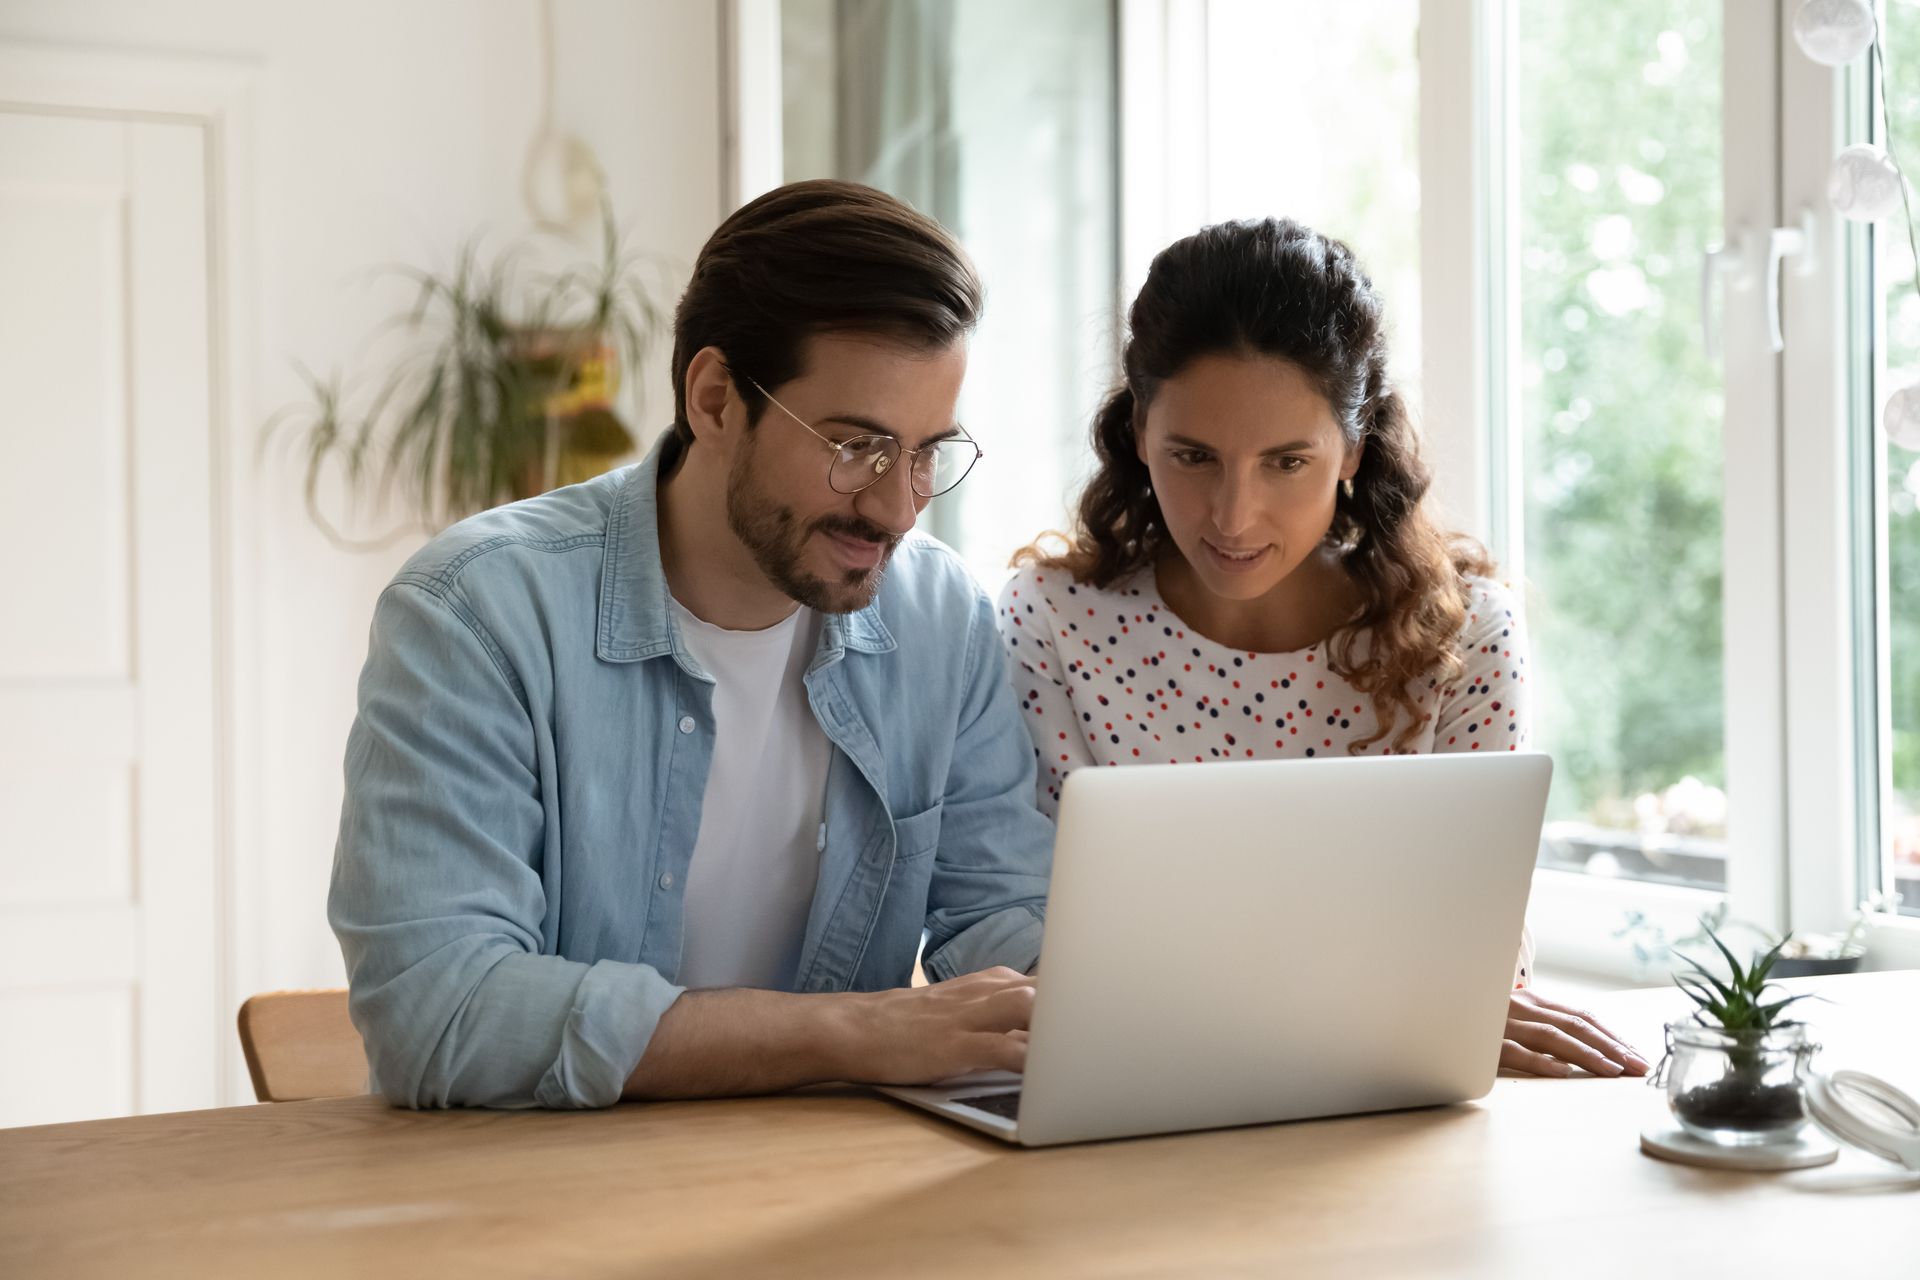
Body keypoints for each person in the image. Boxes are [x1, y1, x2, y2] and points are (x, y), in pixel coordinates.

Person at [330, 180, 1047, 1109]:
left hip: (832, 1190)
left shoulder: (941, 618)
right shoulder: (475, 613)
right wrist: (854, 1033)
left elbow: (999, 918)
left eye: (925, 453)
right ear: (714, 399)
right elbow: (440, 1010)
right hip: (539, 1206)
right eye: (856, 446)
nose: (900, 504)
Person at [998, 218, 1648, 1079]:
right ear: (1137, 435)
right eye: (1191, 456)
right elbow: (1030, 950)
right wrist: (1372, 1009)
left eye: (1286, 462)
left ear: (1353, 450)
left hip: (1384, 1101)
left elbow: (1479, 956)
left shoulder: (1464, 639)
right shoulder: (1053, 621)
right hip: (1138, 1094)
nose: (1233, 516)